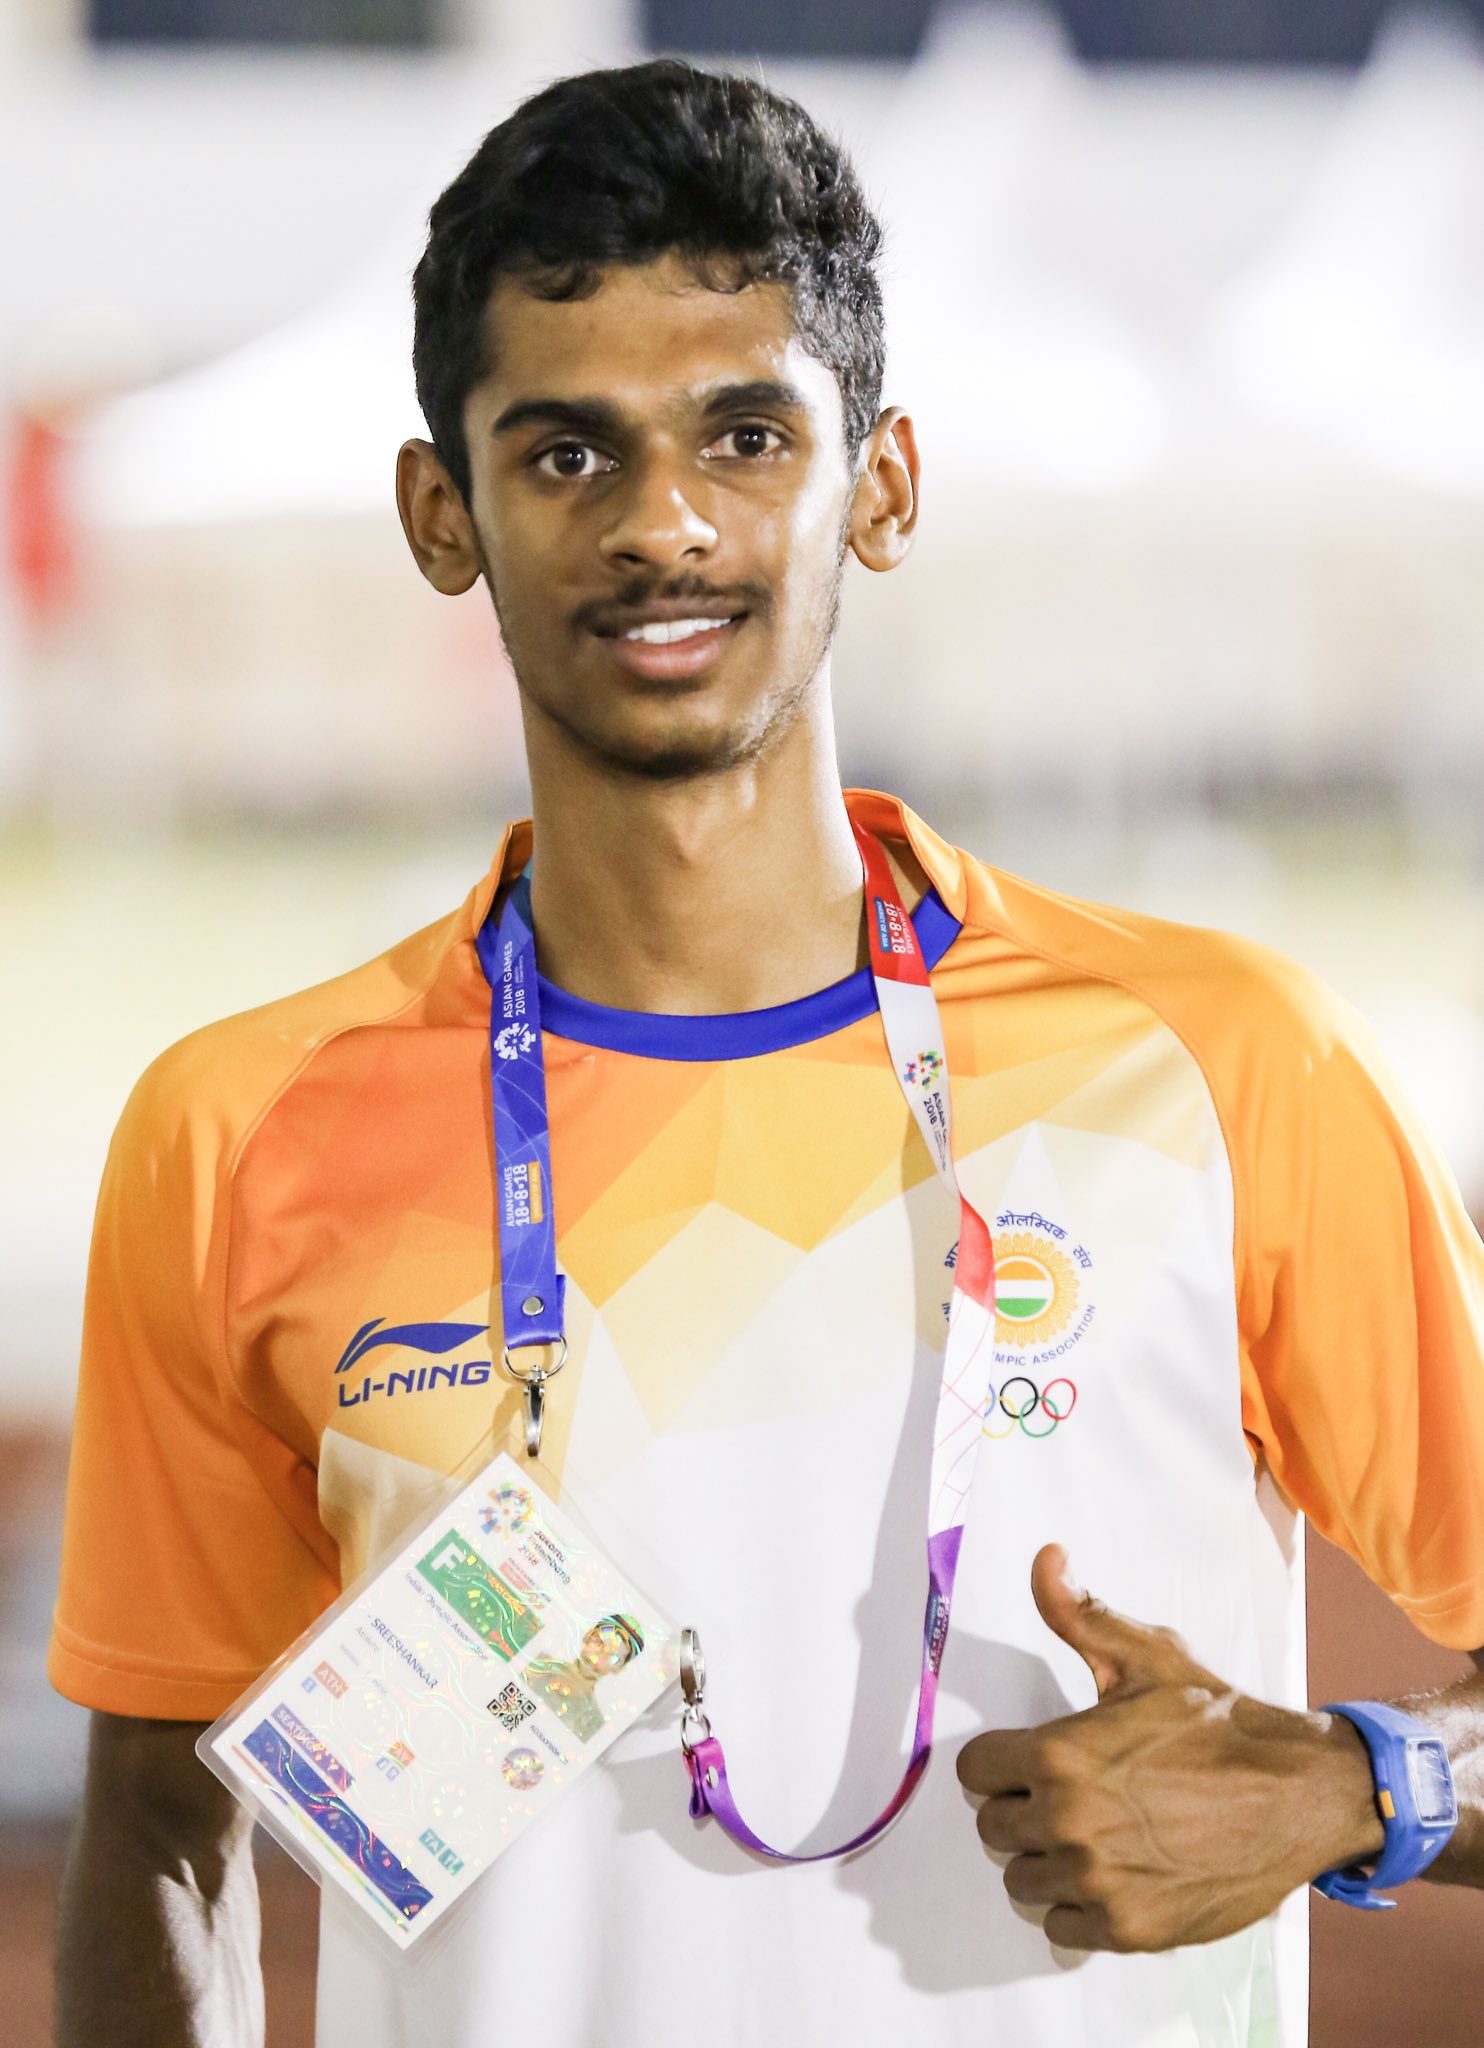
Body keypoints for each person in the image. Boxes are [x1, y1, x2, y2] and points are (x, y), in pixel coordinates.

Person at [50, 56, 1484, 2048]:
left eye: (743, 435)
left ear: (876, 482)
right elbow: (159, 1831)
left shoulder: (1214, 1060)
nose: (660, 525)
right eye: (564, 454)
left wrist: (1368, 1784)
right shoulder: (235, 1133)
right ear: (437, 512)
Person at [523, 1613, 645, 1743]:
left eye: (614, 1658)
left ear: (619, 1669)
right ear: (588, 1636)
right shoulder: (532, 1662)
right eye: (599, 1643)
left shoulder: (593, 1726)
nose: (599, 1657)